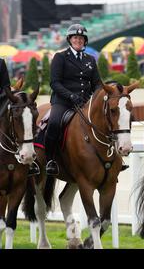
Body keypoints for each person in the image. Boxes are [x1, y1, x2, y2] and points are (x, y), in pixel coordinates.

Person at [44, 24, 101, 176]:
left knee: (105, 120)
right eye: (75, 37)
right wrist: (71, 96)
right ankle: (50, 160)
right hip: (63, 101)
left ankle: (111, 159)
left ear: (85, 41)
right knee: (54, 123)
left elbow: (97, 84)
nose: (78, 40)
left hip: (84, 102)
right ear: (70, 40)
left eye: (81, 38)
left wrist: (96, 97)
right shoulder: (60, 57)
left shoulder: (90, 59)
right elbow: (54, 83)